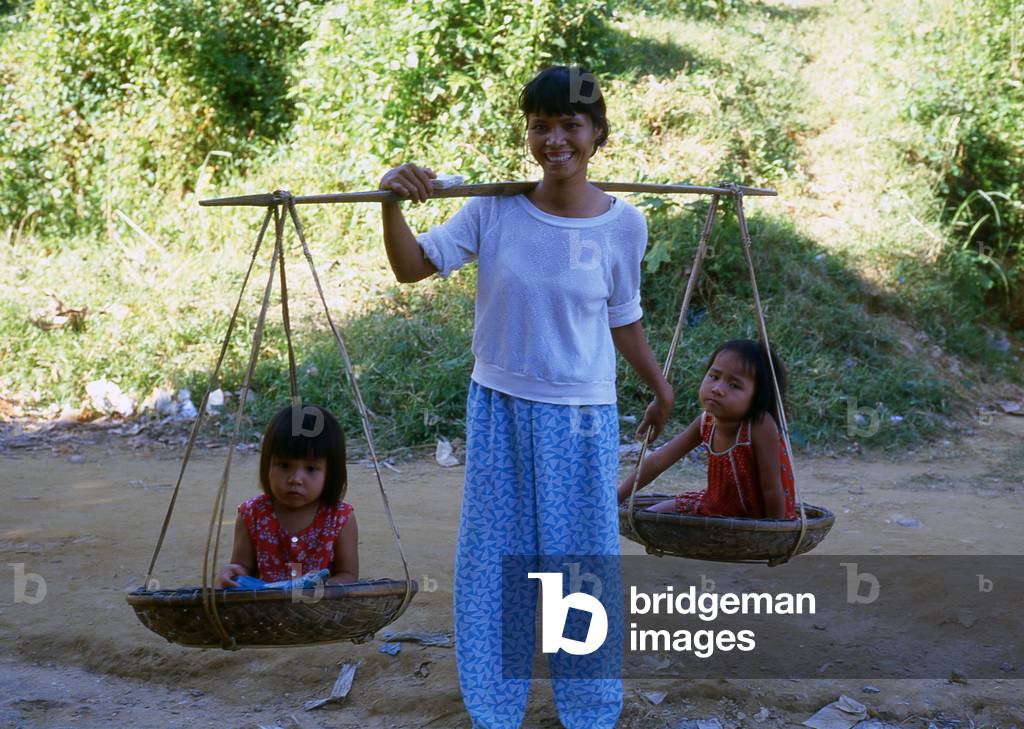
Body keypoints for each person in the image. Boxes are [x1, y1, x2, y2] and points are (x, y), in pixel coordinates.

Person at [378, 65, 672, 728]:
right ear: (529, 133)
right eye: (542, 125)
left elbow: (623, 316)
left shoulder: (624, 225)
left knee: (580, 568)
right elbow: (410, 266)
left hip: (583, 419)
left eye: (571, 124)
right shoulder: (493, 208)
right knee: (495, 562)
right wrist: (392, 201)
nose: (555, 139)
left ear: (597, 133)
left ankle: (591, 711)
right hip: (501, 407)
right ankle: (494, 708)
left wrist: (659, 385)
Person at [617, 339, 797, 520]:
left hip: (758, 515)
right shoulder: (706, 422)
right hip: (716, 506)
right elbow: (659, 460)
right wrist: (617, 497)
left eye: (734, 385)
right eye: (714, 377)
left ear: (757, 397)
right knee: (649, 517)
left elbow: (772, 489)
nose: (717, 389)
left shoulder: (759, 425)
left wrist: (773, 531)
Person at [215, 403, 359, 588]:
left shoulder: (340, 518)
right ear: (267, 466)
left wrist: (313, 588)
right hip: (266, 610)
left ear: (331, 473)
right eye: (283, 465)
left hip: (321, 611)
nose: (295, 479)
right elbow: (243, 567)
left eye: (311, 468)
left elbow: (348, 576)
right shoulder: (252, 514)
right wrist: (233, 572)